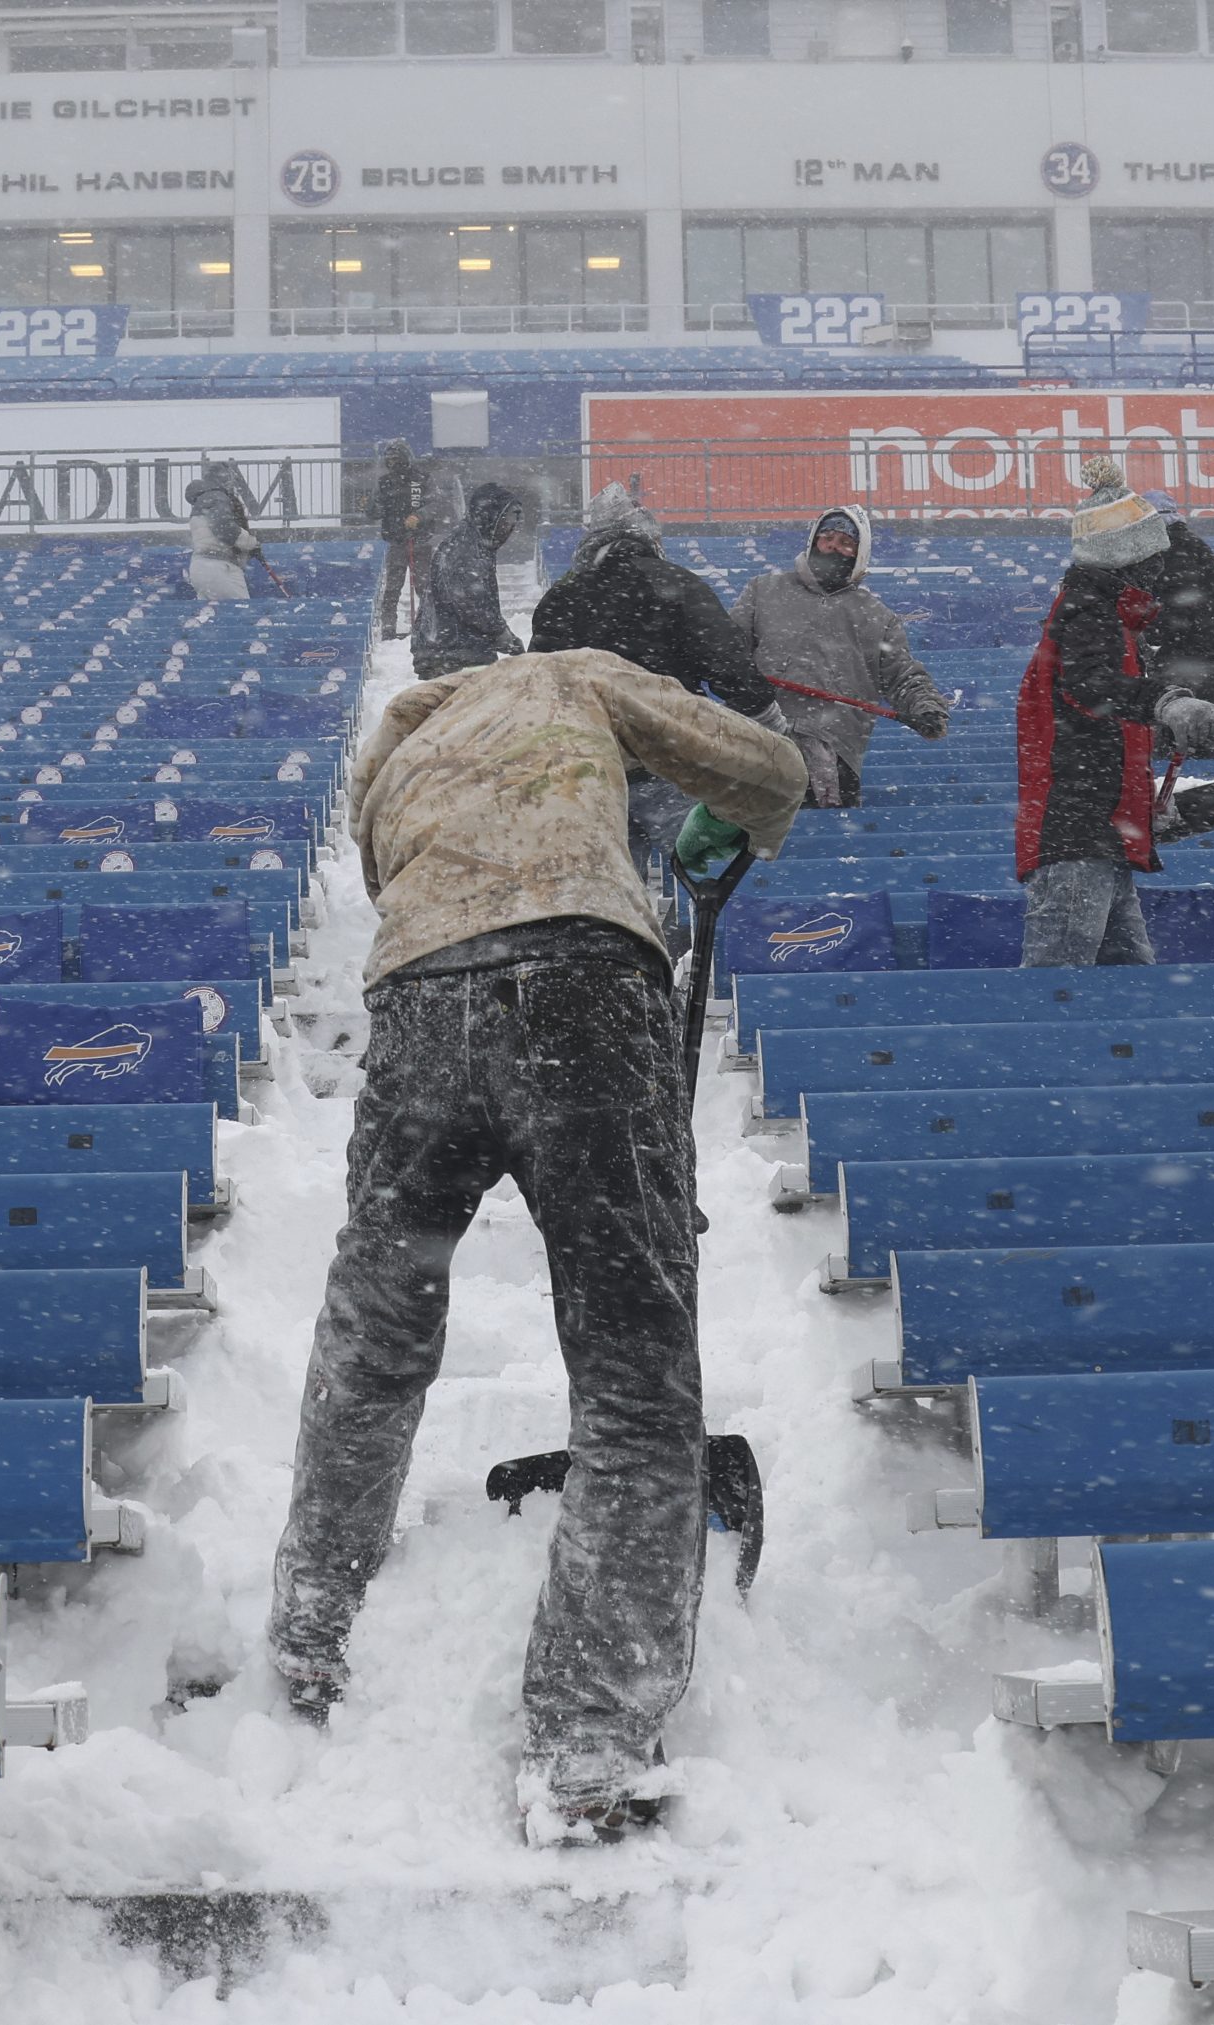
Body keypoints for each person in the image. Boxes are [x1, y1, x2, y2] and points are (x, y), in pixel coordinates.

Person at [266, 642, 807, 1845]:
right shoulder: (572, 676)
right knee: (632, 1378)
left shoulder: (392, 747)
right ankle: (587, 1745)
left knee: (376, 1334)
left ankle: (310, 1634)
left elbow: (400, 878)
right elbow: (768, 768)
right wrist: (735, 822)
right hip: (582, 986)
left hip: (418, 1006)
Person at [1014, 459, 1214, 966]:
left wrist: (1152, 808)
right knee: (1061, 981)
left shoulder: (1111, 616)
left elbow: (1106, 729)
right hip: (1077, 836)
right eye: (1155, 554)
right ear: (1130, 557)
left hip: (1100, 834)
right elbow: (1092, 688)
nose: (1163, 567)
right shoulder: (1088, 610)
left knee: (1128, 982)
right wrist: (1167, 704)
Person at [529, 482, 781, 868]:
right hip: (669, 761)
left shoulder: (563, 596)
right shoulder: (677, 584)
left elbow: (537, 685)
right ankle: (697, 924)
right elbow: (727, 660)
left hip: (590, 766)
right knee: (699, 873)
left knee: (605, 884)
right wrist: (766, 716)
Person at [733, 504, 950, 808]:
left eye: (846, 542)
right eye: (827, 538)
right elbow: (728, 649)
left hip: (834, 752)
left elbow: (905, 676)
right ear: (813, 542)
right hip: (758, 737)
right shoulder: (763, 590)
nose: (833, 546)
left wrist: (927, 709)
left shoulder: (878, 617)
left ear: (859, 554)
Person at [410, 481, 528, 678]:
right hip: (455, 654)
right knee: (472, 707)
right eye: (508, 519)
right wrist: (501, 634)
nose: (512, 527)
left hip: (452, 650)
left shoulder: (474, 544)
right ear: (492, 516)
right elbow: (471, 602)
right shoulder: (465, 548)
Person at [182, 461, 262, 602]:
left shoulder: (201, 501)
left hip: (199, 566)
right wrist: (250, 542)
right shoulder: (217, 496)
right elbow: (223, 527)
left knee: (213, 616)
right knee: (241, 613)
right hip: (219, 566)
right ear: (223, 478)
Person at [372, 440, 424, 640]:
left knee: (424, 588)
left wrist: (419, 517)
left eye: (396, 459)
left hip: (420, 542)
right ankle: (388, 629)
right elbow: (373, 511)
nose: (393, 463)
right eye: (390, 459)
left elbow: (435, 504)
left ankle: (427, 625)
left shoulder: (422, 479)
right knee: (392, 589)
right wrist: (374, 506)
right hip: (396, 542)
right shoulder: (384, 483)